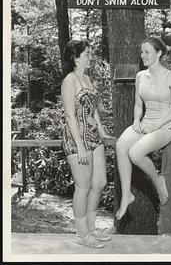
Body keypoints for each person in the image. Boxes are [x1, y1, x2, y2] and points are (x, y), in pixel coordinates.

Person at [115, 37, 171, 220]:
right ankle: (126, 195)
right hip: (146, 122)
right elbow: (138, 104)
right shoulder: (140, 76)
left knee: (135, 153)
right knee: (121, 145)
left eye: (147, 52)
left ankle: (158, 181)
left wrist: (157, 124)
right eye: (142, 52)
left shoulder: (170, 76)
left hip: (166, 126)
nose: (143, 55)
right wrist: (137, 120)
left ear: (159, 53)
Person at [61, 39, 113, 248]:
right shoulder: (69, 81)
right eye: (87, 54)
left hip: (93, 136)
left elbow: (93, 110)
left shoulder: (87, 79)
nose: (90, 56)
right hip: (77, 139)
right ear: (75, 58)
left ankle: (91, 229)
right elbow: (70, 116)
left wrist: (101, 131)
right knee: (82, 186)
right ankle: (81, 234)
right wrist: (80, 146)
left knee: (99, 183)